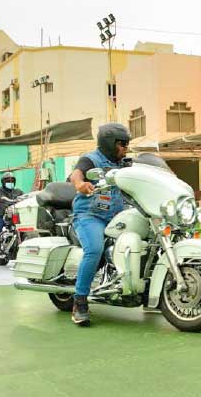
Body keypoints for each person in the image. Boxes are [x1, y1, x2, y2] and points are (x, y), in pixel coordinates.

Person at [69, 123, 130, 326]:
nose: (125, 148)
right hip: (90, 215)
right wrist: (80, 184)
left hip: (117, 216)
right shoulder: (91, 159)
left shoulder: (125, 164)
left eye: (127, 144)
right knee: (95, 249)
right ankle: (79, 302)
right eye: (122, 144)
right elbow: (77, 173)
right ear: (109, 143)